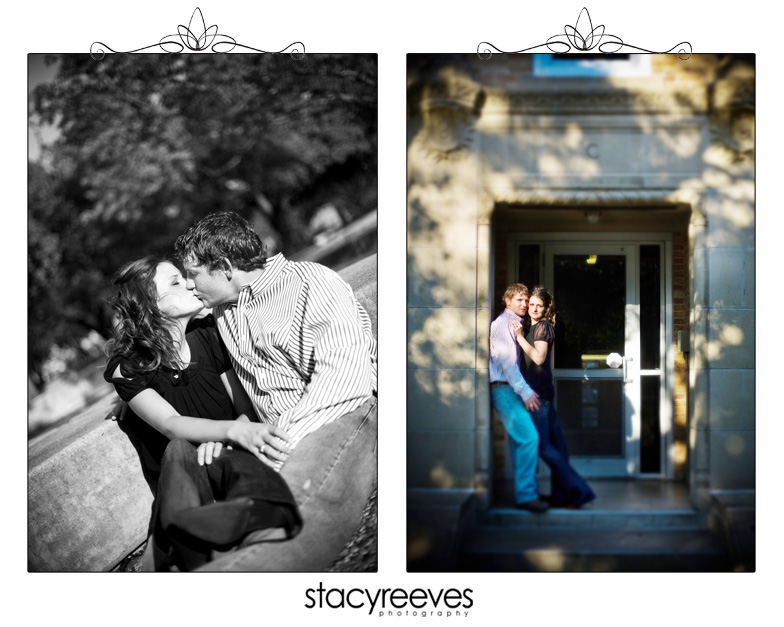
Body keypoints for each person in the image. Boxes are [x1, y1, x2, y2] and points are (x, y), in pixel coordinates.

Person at [174, 211, 377, 571]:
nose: (189, 285)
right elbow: (165, 319)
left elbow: (347, 377)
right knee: (186, 464)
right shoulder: (224, 308)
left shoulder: (310, 281)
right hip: (278, 438)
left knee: (299, 508)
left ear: (223, 267)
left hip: (346, 415)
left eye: (192, 275)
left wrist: (282, 441)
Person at [104, 256, 302, 571]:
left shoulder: (209, 332)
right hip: (185, 476)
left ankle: (263, 513)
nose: (190, 284)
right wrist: (229, 431)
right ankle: (186, 539)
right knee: (179, 447)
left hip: (225, 456)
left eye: (184, 278)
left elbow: (243, 408)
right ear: (150, 307)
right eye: (175, 283)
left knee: (233, 455)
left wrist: (233, 432)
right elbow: (171, 425)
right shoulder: (129, 369)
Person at [511, 285, 595, 508]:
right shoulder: (533, 327)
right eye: (531, 305)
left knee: (542, 447)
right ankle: (561, 496)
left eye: (539, 305)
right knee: (557, 447)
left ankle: (580, 491)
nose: (534, 308)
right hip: (543, 393)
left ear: (546, 307)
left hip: (538, 396)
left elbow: (539, 358)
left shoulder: (542, 328)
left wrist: (519, 337)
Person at [489, 283, 548, 512]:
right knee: (530, 438)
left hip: (507, 389)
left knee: (519, 440)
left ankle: (525, 490)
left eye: (526, 300)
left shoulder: (513, 324)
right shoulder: (504, 323)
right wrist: (525, 392)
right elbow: (507, 363)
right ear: (508, 301)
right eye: (520, 300)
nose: (524, 304)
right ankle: (525, 495)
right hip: (504, 389)